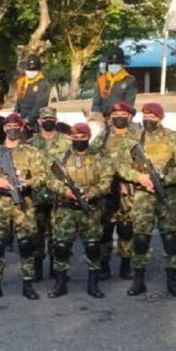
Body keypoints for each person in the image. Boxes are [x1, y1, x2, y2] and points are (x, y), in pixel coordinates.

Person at [115, 103, 176, 297]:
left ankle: (172, 282)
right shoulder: (133, 139)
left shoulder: (173, 138)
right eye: (146, 116)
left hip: (167, 195)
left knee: (170, 237)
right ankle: (139, 280)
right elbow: (121, 166)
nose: (149, 120)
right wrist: (139, 178)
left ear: (161, 118)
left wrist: (162, 180)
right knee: (140, 237)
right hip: (142, 195)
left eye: (153, 117)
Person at [0, 113, 47, 300]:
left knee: (26, 244)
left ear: (22, 128)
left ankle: (28, 284)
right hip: (0, 202)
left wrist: (29, 182)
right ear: (4, 129)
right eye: (8, 126)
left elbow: (43, 175)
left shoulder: (31, 152)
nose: (12, 129)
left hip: (23, 201)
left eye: (16, 126)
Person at [48, 124, 115, 298]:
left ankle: (93, 283)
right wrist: (65, 191)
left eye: (83, 136)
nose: (79, 139)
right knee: (61, 247)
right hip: (65, 209)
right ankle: (60, 283)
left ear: (89, 136)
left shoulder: (99, 156)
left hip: (91, 208)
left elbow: (107, 181)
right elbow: (50, 179)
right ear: (70, 137)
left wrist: (91, 193)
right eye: (75, 136)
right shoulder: (61, 157)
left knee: (93, 247)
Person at [93, 101, 139, 280]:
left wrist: (129, 182)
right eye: (115, 115)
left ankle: (125, 266)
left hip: (129, 191)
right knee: (105, 231)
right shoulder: (102, 138)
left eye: (123, 115)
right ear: (110, 117)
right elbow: (93, 160)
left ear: (129, 117)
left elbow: (143, 167)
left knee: (126, 230)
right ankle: (104, 266)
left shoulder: (136, 138)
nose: (119, 117)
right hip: (107, 192)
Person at [27, 107, 71, 281]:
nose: (48, 121)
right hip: (36, 195)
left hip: (58, 195)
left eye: (51, 118)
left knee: (59, 234)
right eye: (45, 118)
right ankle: (37, 269)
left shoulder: (66, 142)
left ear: (56, 120)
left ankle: (57, 269)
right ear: (39, 121)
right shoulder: (30, 143)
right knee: (36, 234)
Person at [91, 48, 137, 116]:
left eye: (117, 63)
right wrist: (98, 117)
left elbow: (129, 104)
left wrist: (118, 116)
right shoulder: (102, 79)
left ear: (122, 64)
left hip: (121, 117)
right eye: (111, 63)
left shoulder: (129, 80)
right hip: (103, 118)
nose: (114, 65)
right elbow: (96, 104)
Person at [13, 54, 51, 126]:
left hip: (36, 121)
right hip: (21, 119)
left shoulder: (43, 84)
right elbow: (19, 99)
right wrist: (15, 113)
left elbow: (40, 105)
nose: (31, 72)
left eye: (34, 70)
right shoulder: (22, 82)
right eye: (29, 70)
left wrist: (28, 119)